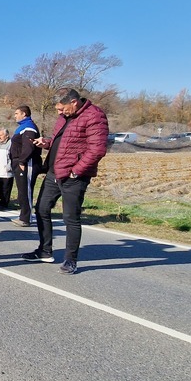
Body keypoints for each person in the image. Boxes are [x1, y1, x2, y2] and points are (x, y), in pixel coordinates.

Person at [24, 88, 109, 275]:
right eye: (57, 109)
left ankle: (71, 260)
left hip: (74, 176)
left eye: (62, 108)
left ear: (74, 102)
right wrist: (46, 143)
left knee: (70, 218)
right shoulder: (64, 117)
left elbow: (97, 150)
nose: (59, 112)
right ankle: (45, 250)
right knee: (42, 209)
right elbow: (63, 142)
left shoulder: (95, 116)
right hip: (54, 172)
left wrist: (76, 171)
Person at [10, 105, 43, 227]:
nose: (15, 116)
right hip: (20, 162)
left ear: (24, 114)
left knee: (26, 190)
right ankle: (23, 215)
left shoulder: (29, 127)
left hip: (27, 163)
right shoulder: (22, 127)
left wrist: (22, 161)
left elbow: (28, 147)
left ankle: (26, 218)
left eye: (17, 113)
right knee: (21, 191)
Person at [0, 128, 14, 210]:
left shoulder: (11, 144)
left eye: (1, 135)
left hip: (6, 172)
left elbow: (13, 157)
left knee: (6, 190)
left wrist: (9, 167)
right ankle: (2, 201)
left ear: (7, 136)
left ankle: (4, 204)